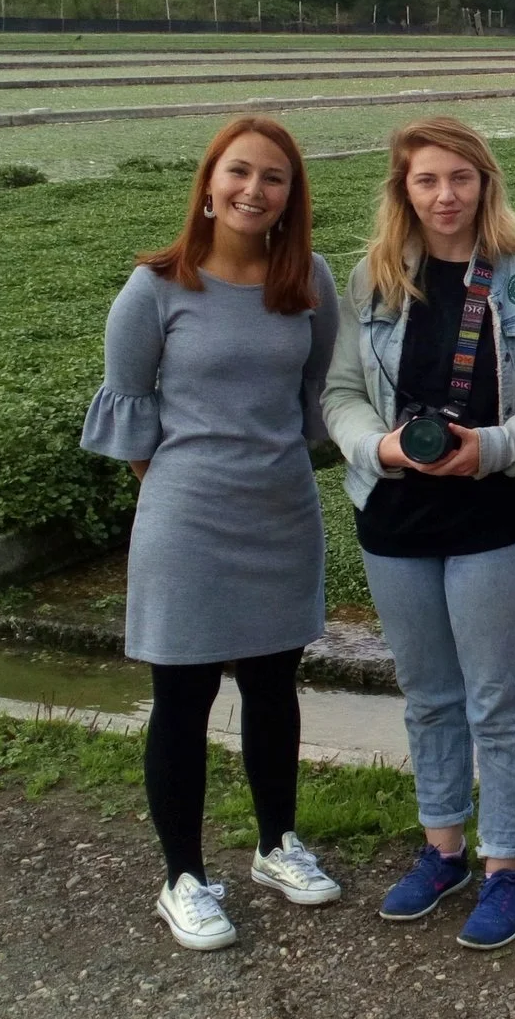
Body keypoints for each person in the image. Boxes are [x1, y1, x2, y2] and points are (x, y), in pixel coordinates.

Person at [322, 116, 515, 950]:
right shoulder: (371, 281)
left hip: (496, 514)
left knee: (498, 696)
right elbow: (337, 393)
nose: (445, 195)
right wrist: (380, 446)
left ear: (485, 183)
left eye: (460, 178)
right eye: (427, 180)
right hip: (394, 515)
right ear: (404, 188)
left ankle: (507, 865)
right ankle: (443, 849)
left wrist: (494, 450)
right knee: (428, 694)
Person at [81, 115, 342, 952]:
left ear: (290, 197)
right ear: (208, 182)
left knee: (274, 688)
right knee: (182, 699)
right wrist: (185, 492)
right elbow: (130, 416)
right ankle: (183, 877)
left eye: (273, 178)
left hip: (282, 514)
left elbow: (316, 401)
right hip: (186, 521)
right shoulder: (155, 287)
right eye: (239, 172)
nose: (253, 190)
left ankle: (275, 845)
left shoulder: (309, 283)